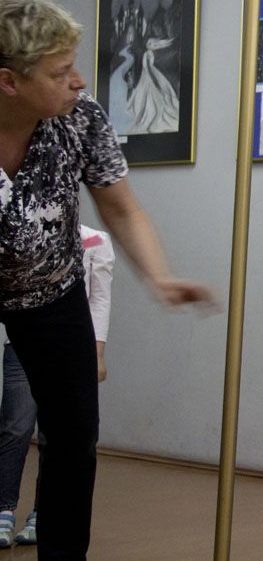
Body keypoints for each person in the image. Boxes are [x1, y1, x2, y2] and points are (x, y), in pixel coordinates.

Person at [0, 0, 214, 561]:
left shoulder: (81, 117)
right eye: (60, 71)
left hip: (51, 288)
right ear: (8, 81)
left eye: (75, 66)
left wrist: (159, 276)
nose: (77, 81)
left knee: (73, 436)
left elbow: (119, 208)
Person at [0, 225, 114, 548]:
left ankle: (43, 512)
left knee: (61, 434)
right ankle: (3, 508)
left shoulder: (96, 241)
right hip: (22, 342)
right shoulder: (25, 229)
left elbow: (100, 299)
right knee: (15, 426)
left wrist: (99, 353)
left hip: (72, 348)